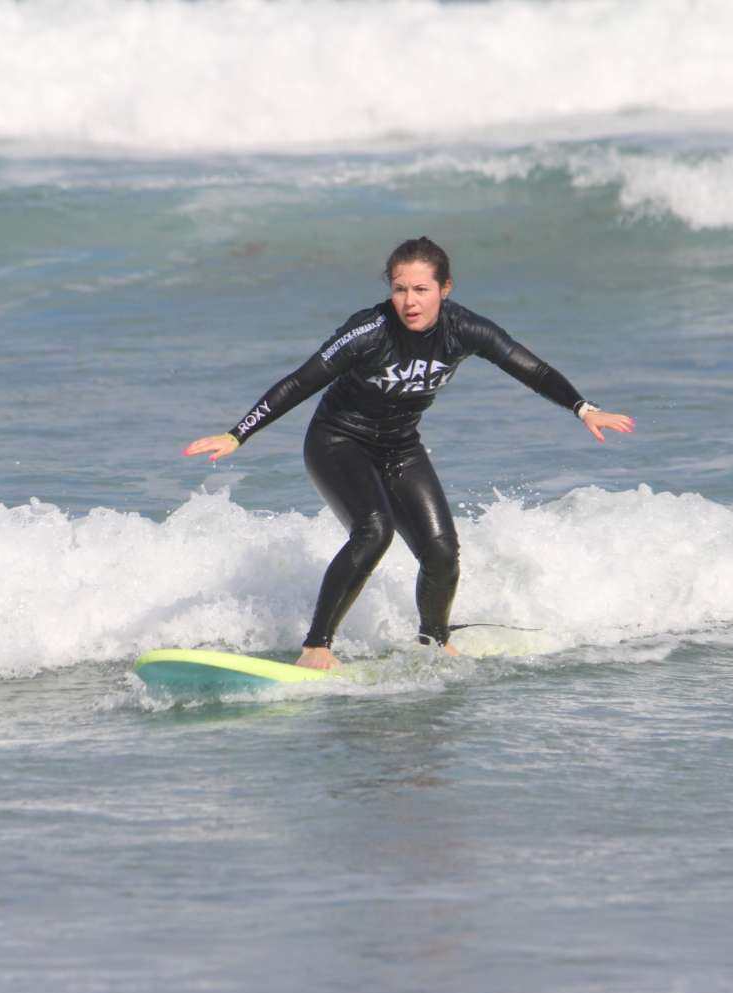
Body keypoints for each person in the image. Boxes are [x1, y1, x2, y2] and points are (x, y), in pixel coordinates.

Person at [183, 237, 634, 670]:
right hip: (337, 442)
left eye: (421, 289)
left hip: (400, 447)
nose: (410, 301)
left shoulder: (464, 329)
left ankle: (433, 642)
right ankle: (316, 645)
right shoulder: (368, 331)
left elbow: (529, 367)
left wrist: (583, 408)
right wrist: (238, 434)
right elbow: (301, 382)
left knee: (441, 553)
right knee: (373, 531)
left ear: (445, 289)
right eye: (400, 289)